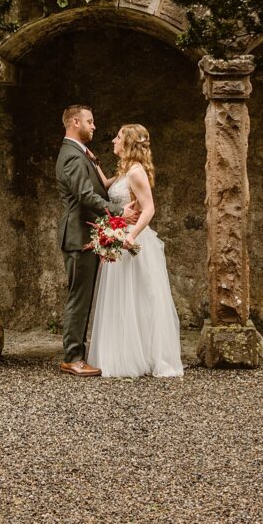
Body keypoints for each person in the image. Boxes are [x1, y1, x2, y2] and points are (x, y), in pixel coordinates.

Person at [87, 124, 184, 378]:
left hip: (133, 240)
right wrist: (93, 162)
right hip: (119, 237)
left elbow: (149, 208)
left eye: (118, 137)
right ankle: (122, 353)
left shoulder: (136, 172)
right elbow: (106, 184)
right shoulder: (124, 171)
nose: (113, 140)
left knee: (138, 298)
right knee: (121, 299)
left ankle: (143, 355)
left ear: (128, 143)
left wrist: (130, 235)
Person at [55, 105, 140, 376]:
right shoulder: (72, 156)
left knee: (83, 297)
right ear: (75, 122)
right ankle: (73, 358)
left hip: (85, 235)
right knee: (79, 298)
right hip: (78, 236)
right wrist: (118, 212)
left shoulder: (81, 154)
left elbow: (97, 188)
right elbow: (85, 196)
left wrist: (122, 177)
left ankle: (77, 354)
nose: (94, 126)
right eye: (90, 121)